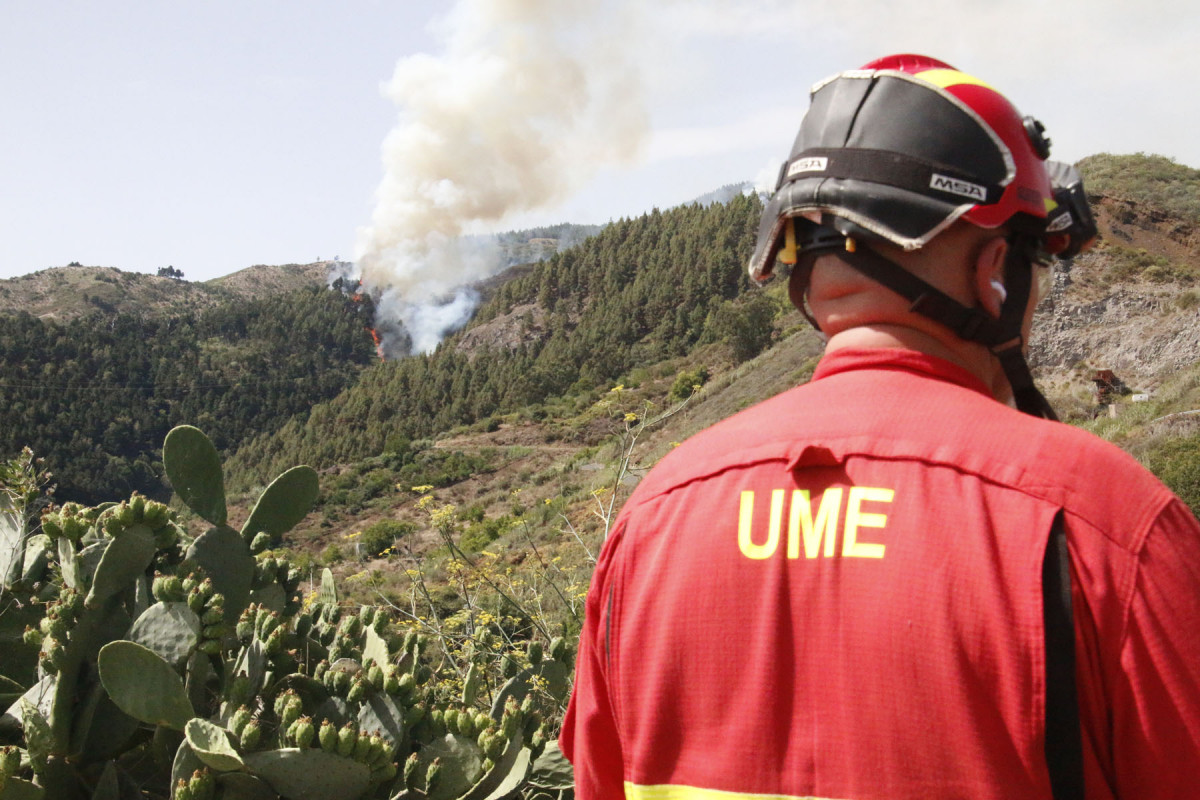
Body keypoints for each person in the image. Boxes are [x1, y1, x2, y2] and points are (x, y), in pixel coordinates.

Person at [561, 54, 1200, 800]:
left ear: (805, 272)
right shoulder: (1109, 526)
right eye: (1033, 264)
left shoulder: (650, 520)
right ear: (995, 269)